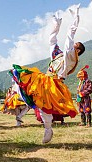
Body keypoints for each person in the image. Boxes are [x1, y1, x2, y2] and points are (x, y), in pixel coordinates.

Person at [9, 4, 85, 143]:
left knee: (46, 108)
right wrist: (56, 25)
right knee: (20, 75)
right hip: (44, 80)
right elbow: (52, 41)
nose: (74, 45)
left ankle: (48, 128)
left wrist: (75, 18)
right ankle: (47, 127)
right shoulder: (59, 56)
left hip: (55, 84)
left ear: (78, 51)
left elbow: (70, 36)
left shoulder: (71, 58)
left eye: (76, 45)